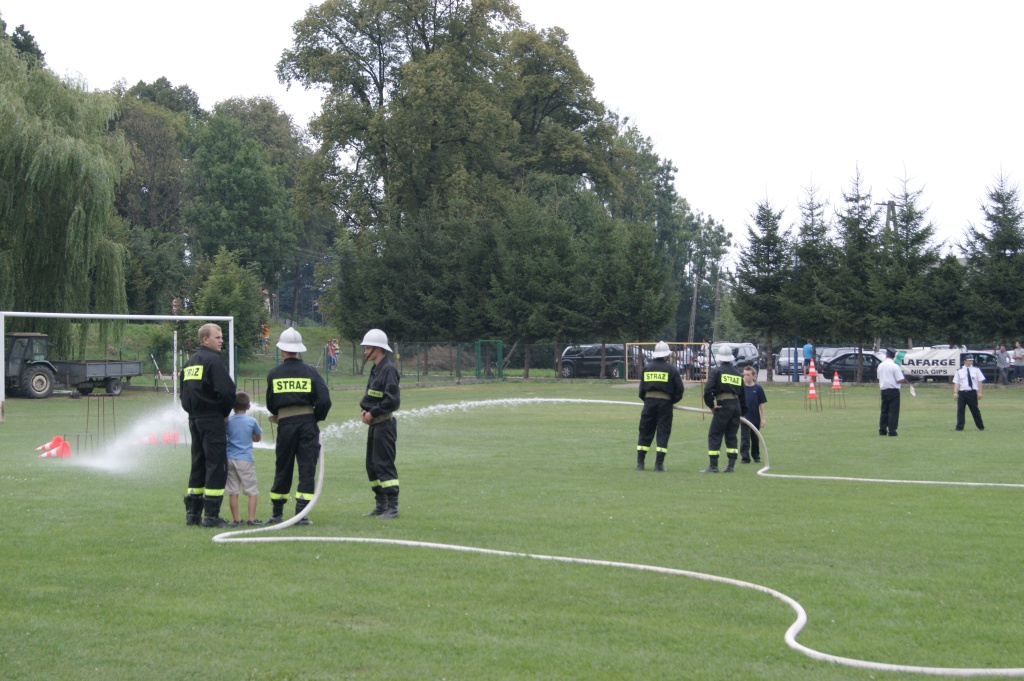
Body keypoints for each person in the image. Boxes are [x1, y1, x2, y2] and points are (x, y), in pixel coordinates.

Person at [265, 327, 332, 525]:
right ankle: (301, 514)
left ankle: (277, 513)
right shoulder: (311, 372)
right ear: (299, 349)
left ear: (282, 350)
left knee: (283, 467)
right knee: (307, 468)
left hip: (285, 425)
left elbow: (271, 403)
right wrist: (316, 417)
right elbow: (324, 400)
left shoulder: (274, 373)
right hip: (307, 425)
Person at [180, 323, 237, 527]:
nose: (221, 340)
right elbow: (227, 392)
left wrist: (193, 412)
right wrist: (223, 413)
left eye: (221, 337)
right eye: (217, 337)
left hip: (194, 419)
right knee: (216, 465)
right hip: (212, 419)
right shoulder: (213, 361)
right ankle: (212, 516)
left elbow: (183, 394)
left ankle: (192, 514)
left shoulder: (189, 363)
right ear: (205, 339)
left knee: (198, 464)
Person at [359, 328, 401, 519]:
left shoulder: (389, 370)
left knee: (384, 465)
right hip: (375, 425)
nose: (365, 351)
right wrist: (365, 410)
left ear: (378, 348)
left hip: (384, 425)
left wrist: (373, 412)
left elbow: (392, 400)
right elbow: (372, 395)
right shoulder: (376, 369)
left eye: (368, 348)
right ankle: (381, 504)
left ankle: (392, 507)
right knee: (372, 465)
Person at [635, 341, 685, 472]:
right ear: (666, 355)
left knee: (645, 431)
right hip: (665, 404)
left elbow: (641, 391)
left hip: (649, 403)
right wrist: (670, 401)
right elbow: (679, 389)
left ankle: (640, 463)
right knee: (663, 432)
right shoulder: (671, 369)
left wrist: (648, 400)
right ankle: (659, 465)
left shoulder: (647, 368)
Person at [702, 348, 746, 473]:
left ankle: (713, 466)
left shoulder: (717, 371)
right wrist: (742, 413)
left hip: (723, 405)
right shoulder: (737, 373)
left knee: (715, 434)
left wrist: (711, 406)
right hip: (736, 406)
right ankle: (730, 466)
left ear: (720, 358)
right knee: (731, 436)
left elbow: (708, 390)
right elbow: (743, 395)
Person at [226, 390, 263, 526]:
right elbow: (257, 437)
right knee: (252, 491)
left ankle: (236, 519)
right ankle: (251, 519)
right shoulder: (251, 421)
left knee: (233, 491)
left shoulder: (228, 421)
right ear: (248, 406)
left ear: (232, 407)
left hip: (229, 457)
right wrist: (253, 437)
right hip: (245, 459)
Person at [877, 347, 912, 437]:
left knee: (884, 410)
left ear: (886, 355)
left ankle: (882, 430)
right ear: (894, 356)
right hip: (893, 390)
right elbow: (899, 379)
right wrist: (905, 380)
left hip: (884, 390)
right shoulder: (895, 366)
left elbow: (879, 377)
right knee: (893, 411)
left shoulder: (880, 365)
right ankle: (892, 431)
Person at [739, 365, 767, 464]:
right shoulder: (741, 388)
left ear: (753, 376)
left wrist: (763, 418)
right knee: (745, 438)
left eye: (748, 375)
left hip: (755, 417)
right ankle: (745, 458)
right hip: (744, 418)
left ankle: (756, 456)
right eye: (744, 375)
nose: (746, 377)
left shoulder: (758, 389)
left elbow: (761, 404)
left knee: (755, 438)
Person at [953, 354, 985, 431]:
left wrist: (979, 392)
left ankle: (980, 426)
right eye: (969, 360)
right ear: (965, 361)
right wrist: (955, 392)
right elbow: (957, 382)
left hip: (972, 393)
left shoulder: (976, 370)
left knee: (975, 410)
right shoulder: (959, 371)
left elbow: (979, 381)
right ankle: (959, 427)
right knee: (960, 410)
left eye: (972, 360)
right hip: (962, 392)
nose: (971, 361)